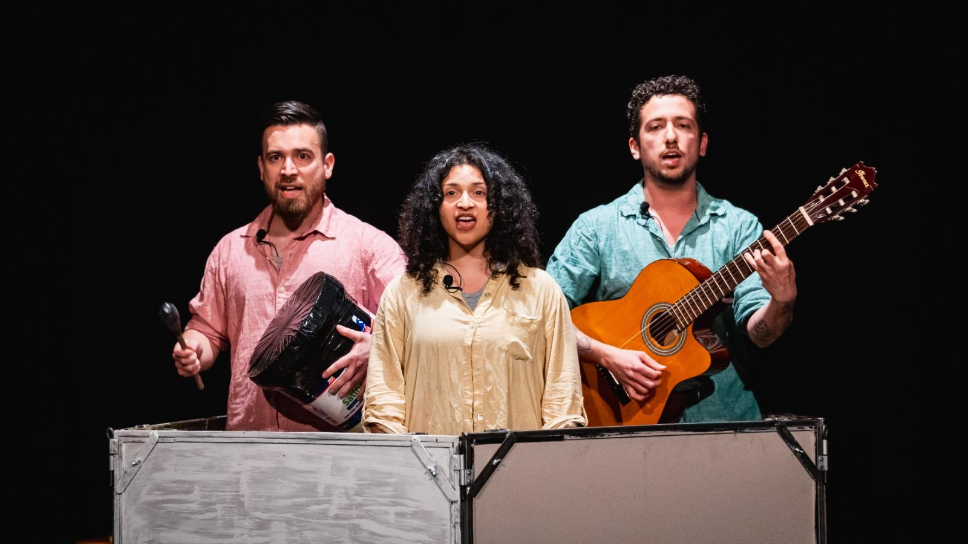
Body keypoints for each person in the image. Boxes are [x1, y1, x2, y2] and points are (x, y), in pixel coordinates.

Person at [547, 75, 797, 422]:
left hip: (723, 422)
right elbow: (544, 317)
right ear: (635, 146)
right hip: (624, 426)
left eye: (683, 125)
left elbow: (761, 335)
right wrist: (606, 356)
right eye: (655, 127)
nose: (670, 137)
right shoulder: (596, 228)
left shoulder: (740, 228)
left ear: (702, 143)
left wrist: (782, 301)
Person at [172, 101, 406, 431]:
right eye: (275, 157)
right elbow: (207, 331)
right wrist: (194, 347)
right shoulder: (230, 250)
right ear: (261, 167)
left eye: (303, 156)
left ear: (327, 165)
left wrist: (378, 349)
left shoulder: (369, 246)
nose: (288, 169)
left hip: (340, 452)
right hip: (249, 446)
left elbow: (416, 327)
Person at [363, 144, 586, 435]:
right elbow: (383, 404)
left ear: (500, 204)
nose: (465, 203)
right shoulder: (402, 293)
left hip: (518, 464)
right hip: (428, 463)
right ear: (435, 206)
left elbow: (563, 404)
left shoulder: (541, 291)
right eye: (451, 193)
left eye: (479, 193)